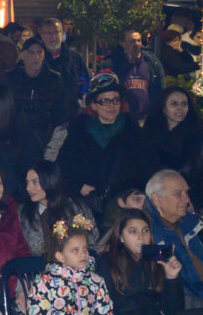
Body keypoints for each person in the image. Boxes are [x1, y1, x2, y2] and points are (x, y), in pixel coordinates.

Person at [98, 208, 203, 315]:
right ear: (121, 236)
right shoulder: (108, 261)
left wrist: (172, 278)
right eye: (133, 232)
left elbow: (173, 312)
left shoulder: (156, 254)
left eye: (145, 231)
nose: (141, 237)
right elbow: (107, 313)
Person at [56, 73, 153, 214]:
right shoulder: (79, 130)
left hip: (122, 205)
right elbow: (62, 167)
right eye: (105, 101)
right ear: (94, 105)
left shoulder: (133, 131)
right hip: (86, 204)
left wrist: (131, 193)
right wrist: (79, 187)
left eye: (115, 100)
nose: (111, 106)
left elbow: (146, 168)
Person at [28, 214, 114, 315]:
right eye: (75, 250)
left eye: (85, 249)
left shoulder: (96, 281)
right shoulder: (44, 282)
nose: (83, 254)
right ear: (60, 256)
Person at [146, 169, 203, 304]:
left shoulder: (192, 223)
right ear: (157, 199)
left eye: (186, 193)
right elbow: (168, 279)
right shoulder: (148, 234)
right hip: (186, 302)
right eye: (178, 193)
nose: (187, 200)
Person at [19, 161, 92, 258]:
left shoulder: (75, 207)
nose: (28, 188)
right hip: (39, 265)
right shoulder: (23, 212)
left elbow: (92, 242)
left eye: (35, 182)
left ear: (50, 181)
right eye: (27, 182)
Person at [5, 37, 67, 145]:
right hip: (17, 137)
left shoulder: (54, 79)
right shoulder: (11, 78)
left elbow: (60, 112)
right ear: (23, 55)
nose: (36, 57)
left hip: (45, 137)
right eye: (31, 52)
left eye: (39, 52)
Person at [107, 30, 165, 120]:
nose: (136, 44)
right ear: (123, 44)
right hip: (124, 118)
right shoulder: (116, 64)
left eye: (139, 41)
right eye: (132, 41)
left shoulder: (152, 63)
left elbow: (161, 88)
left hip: (147, 117)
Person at [149, 87, 203, 174]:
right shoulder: (151, 134)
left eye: (184, 104)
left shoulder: (197, 134)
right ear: (163, 108)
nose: (180, 108)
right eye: (174, 104)